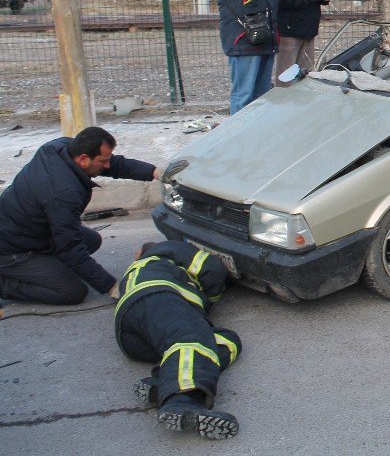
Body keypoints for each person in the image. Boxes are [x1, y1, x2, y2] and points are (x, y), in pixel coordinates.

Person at [0, 127, 158, 306]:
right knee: (72, 292)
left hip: (28, 229)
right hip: (10, 249)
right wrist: (111, 286)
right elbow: (70, 248)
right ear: (83, 159)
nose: (107, 165)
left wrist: (154, 172)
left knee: (91, 240)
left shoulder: (60, 147)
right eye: (103, 161)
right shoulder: (64, 193)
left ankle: (45, 269)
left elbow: (114, 164)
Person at [115, 240, 241, 439]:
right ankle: (184, 399)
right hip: (158, 297)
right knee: (191, 340)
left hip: (133, 336)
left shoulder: (134, 271)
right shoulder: (167, 250)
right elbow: (212, 269)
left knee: (229, 340)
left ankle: (164, 381)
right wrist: (210, 299)